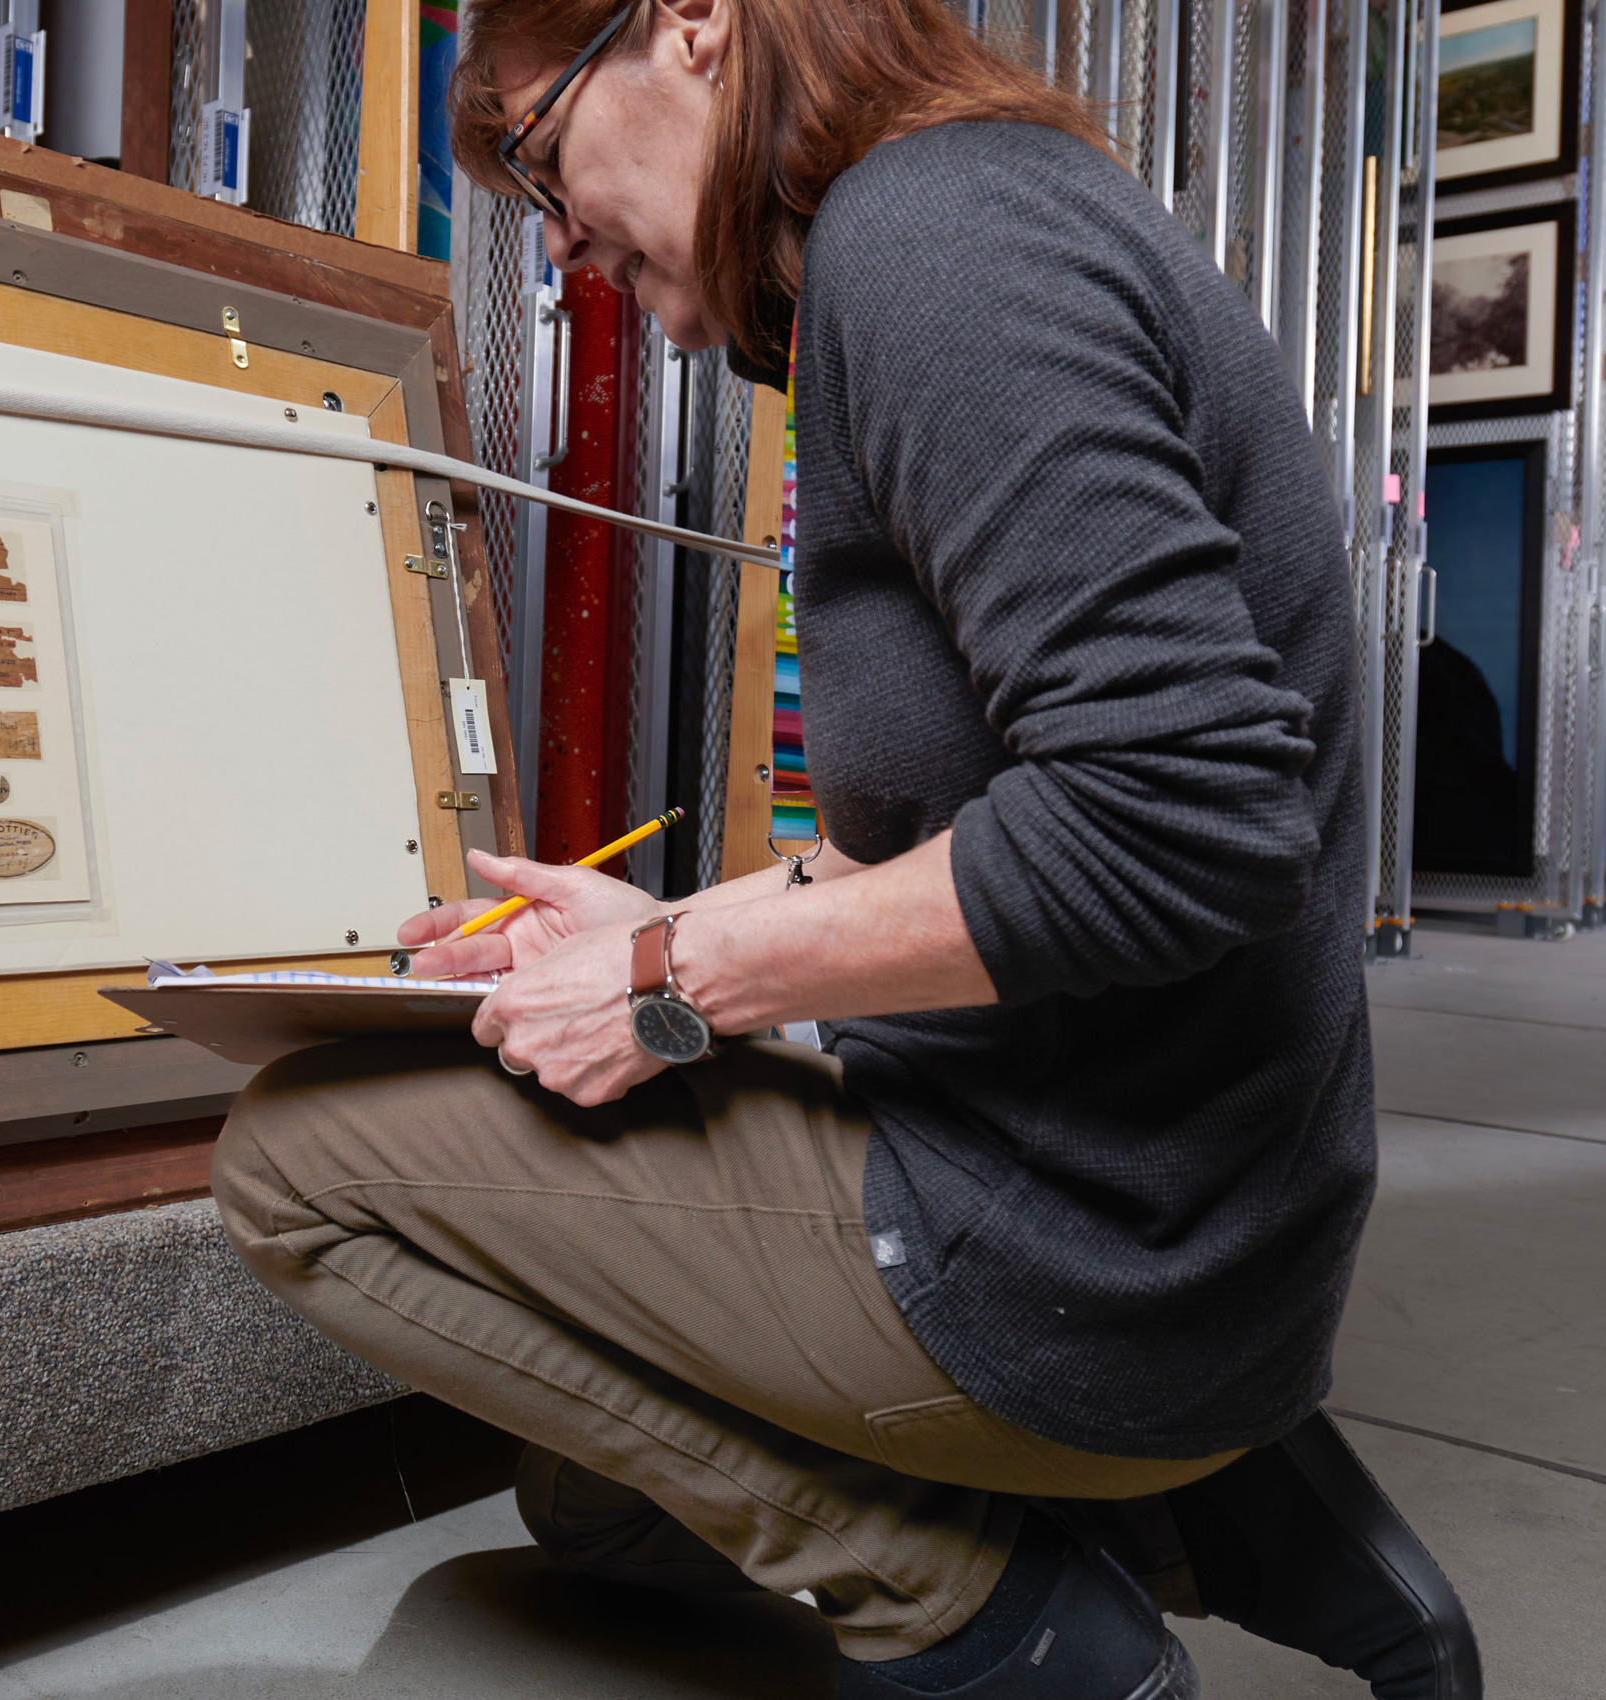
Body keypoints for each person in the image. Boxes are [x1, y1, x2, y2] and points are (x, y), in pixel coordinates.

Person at [210, 1, 1480, 1695]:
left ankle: (1004, 1621)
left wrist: (670, 982)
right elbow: (987, 834)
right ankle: (1221, 1505)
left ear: (694, 25)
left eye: (537, 150)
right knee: (600, 1510)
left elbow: (1176, 815)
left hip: (1100, 1249)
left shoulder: (932, 241)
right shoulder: (973, 223)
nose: (563, 237)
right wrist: (650, 930)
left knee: (292, 1165)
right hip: (1187, 1218)